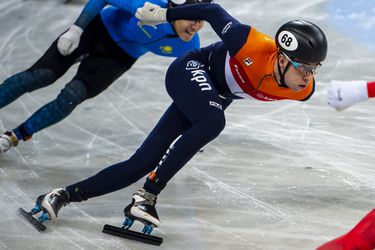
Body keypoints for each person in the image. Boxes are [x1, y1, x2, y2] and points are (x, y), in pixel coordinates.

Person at [26, 1, 328, 236]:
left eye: (314, 68)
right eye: (303, 67)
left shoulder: (302, 91)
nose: (307, 76)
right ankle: (147, 196)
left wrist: (198, 130)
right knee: (213, 121)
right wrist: (162, 15)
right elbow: (211, 10)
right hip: (190, 70)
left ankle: (62, 196)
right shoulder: (249, 44)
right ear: (283, 57)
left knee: (142, 162)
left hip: (208, 97)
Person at [0, 0, 210, 155]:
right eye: (193, 18)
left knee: (73, 95)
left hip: (118, 57)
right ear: (174, 10)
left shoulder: (189, 45)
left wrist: (196, 123)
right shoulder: (149, 6)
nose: (197, 26)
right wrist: (76, 28)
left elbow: (193, 82)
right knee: (40, 76)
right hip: (95, 30)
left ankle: (14, 136)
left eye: (202, 20)